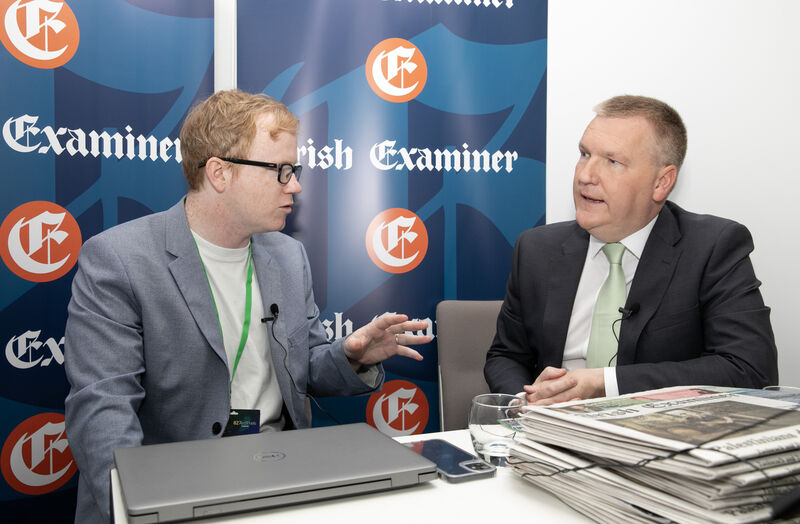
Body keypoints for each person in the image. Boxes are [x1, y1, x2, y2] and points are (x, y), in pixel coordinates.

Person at [64, 89, 432, 524]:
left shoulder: (288, 256)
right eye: (281, 171)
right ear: (219, 173)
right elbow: (103, 408)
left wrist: (352, 356)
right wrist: (143, 509)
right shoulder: (119, 260)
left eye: (294, 170)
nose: (295, 185)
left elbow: (306, 370)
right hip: (175, 489)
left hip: (279, 477)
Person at [484, 95, 778, 406]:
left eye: (613, 161)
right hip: (547, 427)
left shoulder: (712, 248)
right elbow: (506, 355)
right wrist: (524, 401)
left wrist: (605, 384)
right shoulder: (536, 249)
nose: (585, 175)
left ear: (661, 183)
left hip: (656, 430)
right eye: (584, 154)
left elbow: (750, 369)